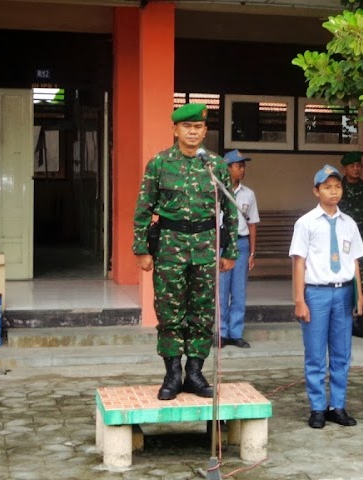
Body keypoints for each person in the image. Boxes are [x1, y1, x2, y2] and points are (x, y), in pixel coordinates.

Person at [132, 103, 239, 401]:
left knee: (203, 312)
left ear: (205, 131)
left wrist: (230, 249)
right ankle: (172, 373)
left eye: (198, 127)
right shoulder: (159, 164)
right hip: (169, 247)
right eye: (187, 127)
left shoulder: (215, 165)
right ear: (175, 130)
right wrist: (141, 248)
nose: (193, 132)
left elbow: (229, 210)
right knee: (169, 313)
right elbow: (143, 210)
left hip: (205, 247)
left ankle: (194, 371)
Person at [289, 164, 363, 429]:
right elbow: (299, 262)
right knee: (315, 353)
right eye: (327, 187)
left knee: (341, 352)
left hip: (343, 292)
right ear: (316, 191)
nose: (334, 192)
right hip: (317, 294)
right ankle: (317, 407)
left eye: (337, 186)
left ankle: (338, 406)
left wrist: (359, 295)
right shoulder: (306, 223)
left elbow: (355, 260)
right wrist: (299, 299)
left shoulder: (349, 224)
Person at [218, 149, 260, 348]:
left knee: (239, 290)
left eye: (243, 166)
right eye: (238, 166)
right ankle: (221, 333)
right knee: (221, 290)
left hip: (241, 243)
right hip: (221, 244)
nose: (242, 170)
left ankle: (236, 333)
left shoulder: (249, 194)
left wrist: (252, 252)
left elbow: (252, 224)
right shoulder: (215, 190)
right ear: (227, 168)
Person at [337, 151, 363, 338]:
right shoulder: (338, 188)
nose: (356, 169)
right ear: (344, 168)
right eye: (352, 166)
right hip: (341, 240)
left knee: (361, 276)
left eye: (358, 165)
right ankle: (343, 317)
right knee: (341, 276)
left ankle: (356, 315)